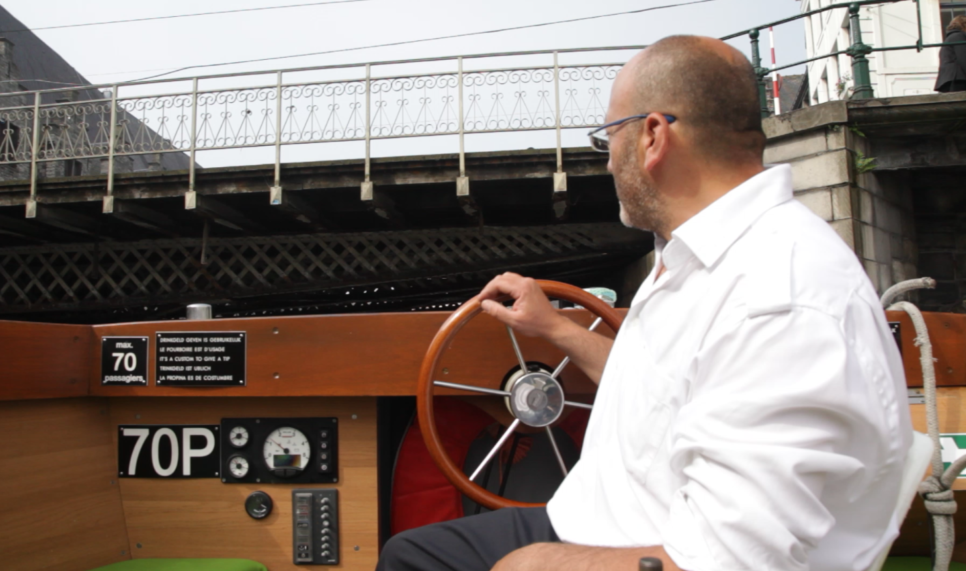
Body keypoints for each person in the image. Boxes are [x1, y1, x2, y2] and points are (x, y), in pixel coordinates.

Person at [378, 35, 911, 571]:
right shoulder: (701, 257)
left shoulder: (777, 299)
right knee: (410, 554)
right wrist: (555, 329)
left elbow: (730, 562)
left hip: (659, 545)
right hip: (604, 517)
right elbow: (661, 387)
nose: (607, 162)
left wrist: (533, 564)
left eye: (608, 136)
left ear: (652, 135)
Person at [935, 15, 966, 93]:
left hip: (949, 80)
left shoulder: (949, 39)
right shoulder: (959, 36)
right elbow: (963, 58)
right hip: (958, 79)